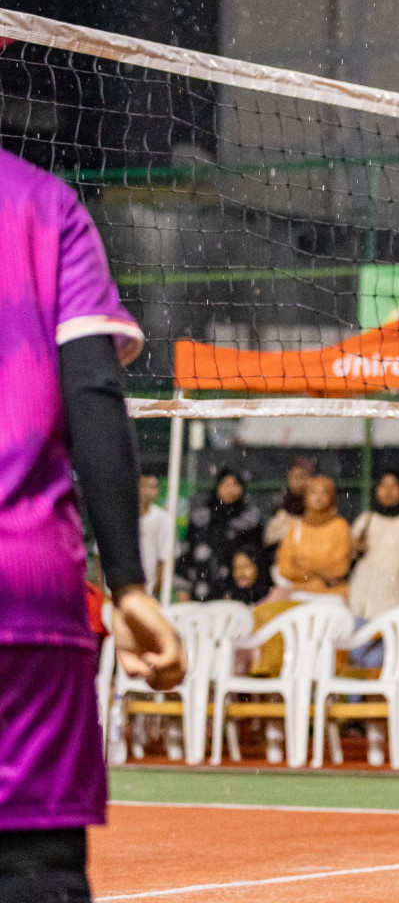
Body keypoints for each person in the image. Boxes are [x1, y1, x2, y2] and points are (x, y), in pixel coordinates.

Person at [0, 147, 184, 901]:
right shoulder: (43, 205)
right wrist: (128, 585)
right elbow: (94, 396)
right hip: (26, 593)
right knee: (34, 872)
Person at [348, 470, 399, 620]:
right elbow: (350, 559)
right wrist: (355, 548)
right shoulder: (367, 518)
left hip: (395, 600)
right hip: (361, 600)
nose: (388, 491)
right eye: (383, 486)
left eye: (394, 486)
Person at [178, 469, 264, 602]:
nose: (230, 489)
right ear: (218, 487)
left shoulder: (251, 521)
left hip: (239, 596)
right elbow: (186, 554)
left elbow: (258, 560)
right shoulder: (200, 518)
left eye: (235, 484)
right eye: (226, 484)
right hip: (200, 593)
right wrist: (183, 590)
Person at [275, 474, 352, 598]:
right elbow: (285, 568)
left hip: (333, 594)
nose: (318, 497)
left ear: (332, 497)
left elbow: (340, 568)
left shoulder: (340, 526)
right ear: (305, 496)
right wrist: (320, 573)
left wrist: (304, 566)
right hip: (299, 593)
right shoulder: (296, 527)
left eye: (324, 493)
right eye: (313, 492)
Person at [263, 457, 315, 548]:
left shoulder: (318, 502)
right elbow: (270, 540)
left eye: (302, 477)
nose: (296, 482)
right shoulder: (281, 504)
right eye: (293, 477)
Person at [137, 473, 175, 600]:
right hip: (120, 589)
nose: (147, 491)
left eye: (153, 487)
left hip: (150, 591)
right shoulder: (120, 516)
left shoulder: (164, 519)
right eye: (144, 486)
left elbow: (164, 555)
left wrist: (158, 583)